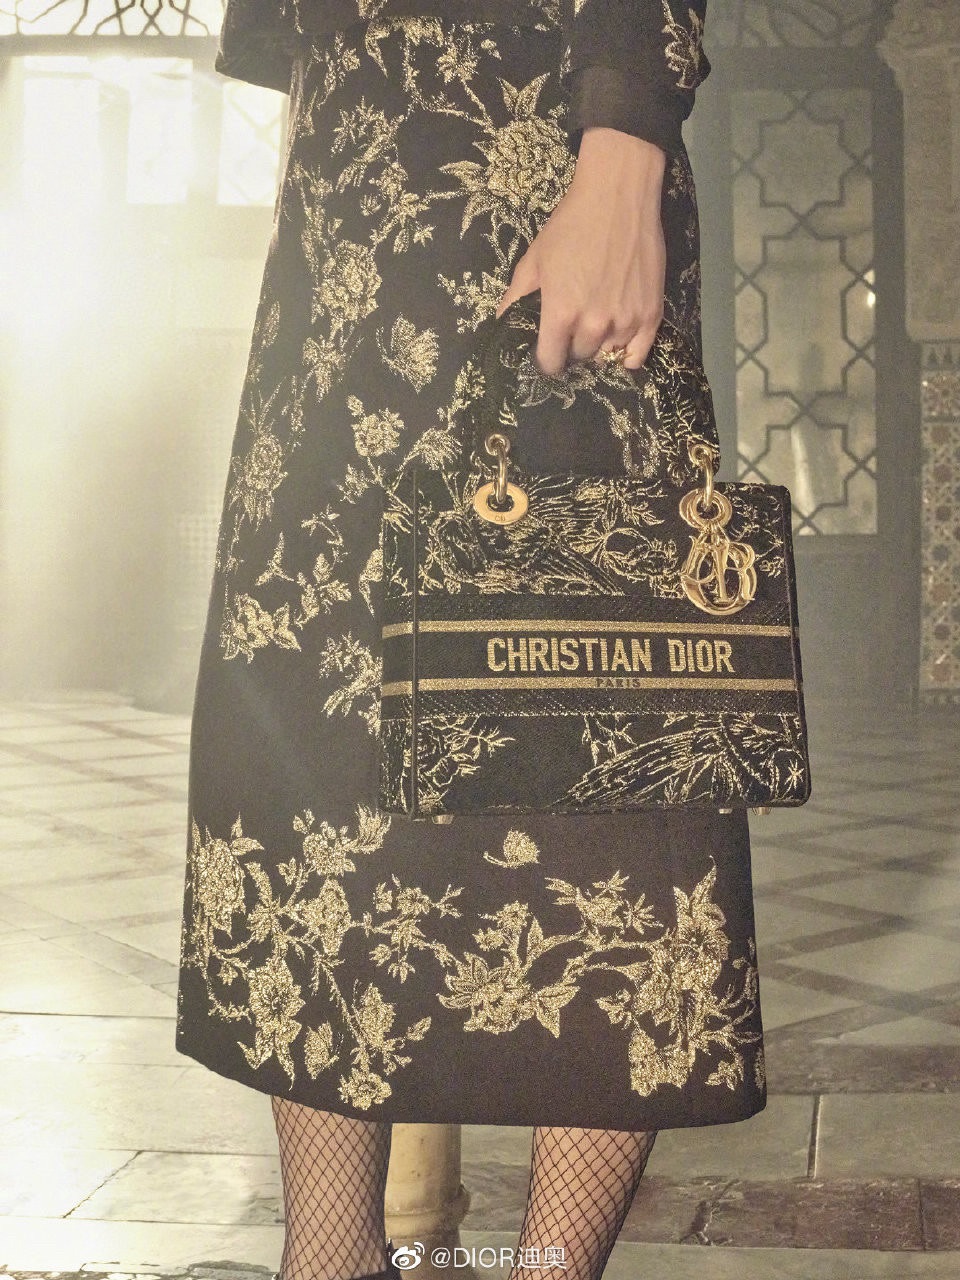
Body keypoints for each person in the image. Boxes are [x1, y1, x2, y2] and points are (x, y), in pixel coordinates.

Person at [174, 3, 766, 1280]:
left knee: (595, 734)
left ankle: (549, 1272)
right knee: (313, 751)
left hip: (536, 163)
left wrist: (623, 150)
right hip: (337, 236)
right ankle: (328, 1260)